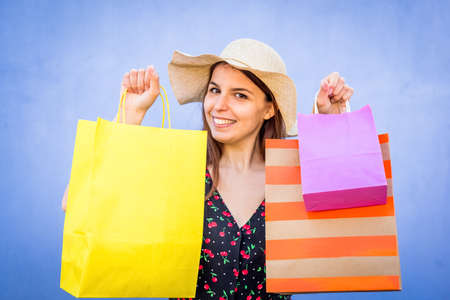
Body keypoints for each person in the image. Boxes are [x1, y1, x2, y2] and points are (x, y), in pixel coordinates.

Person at [61, 38, 354, 299]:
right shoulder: (180, 171)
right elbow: (76, 204)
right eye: (215, 90)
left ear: (269, 108)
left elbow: (345, 217)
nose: (219, 105)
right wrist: (130, 116)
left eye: (240, 95)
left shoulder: (291, 179)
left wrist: (331, 125)